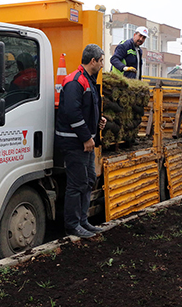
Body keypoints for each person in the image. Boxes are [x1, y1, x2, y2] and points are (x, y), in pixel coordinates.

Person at [55, 44, 107, 238]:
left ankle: (83, 221)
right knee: (76, 184)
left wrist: (98, 122)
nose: (102, 64)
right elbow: (71, 112)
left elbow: (86, 110)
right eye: (101, 60)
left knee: (88, 180)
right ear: (92, 61)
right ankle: (72, 226)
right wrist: (86, 137)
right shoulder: (75, 81)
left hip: (86, 142)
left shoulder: (88, 81)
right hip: (74, 143)